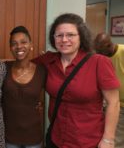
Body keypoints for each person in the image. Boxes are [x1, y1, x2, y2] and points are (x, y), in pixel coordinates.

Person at [34, 13, 120, 148]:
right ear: (53, 38)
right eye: (59, 35)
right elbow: (22, 66)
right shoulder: (48, 60)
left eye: (70, 35)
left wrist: (108, 139)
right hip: (56, 138)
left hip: (88, 142)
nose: (64, 39)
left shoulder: (99, 63)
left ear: (81, 37)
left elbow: (113, 103)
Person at [2, 26, 46, 148]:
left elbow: (44, 96)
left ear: (30, 44)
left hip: (33, 137)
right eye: (14, 43)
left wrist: (40, 103)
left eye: (23, 42)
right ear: (11, 48)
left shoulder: (42, 71)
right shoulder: (3, 68)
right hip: (9, 136)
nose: (19, 46)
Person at [94, 32, 124, 148]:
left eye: (101, 51)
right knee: (117, 140)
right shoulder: (101, 58)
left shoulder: (122, 51)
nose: (100, 54)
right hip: (119, 105)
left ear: (109, 45)